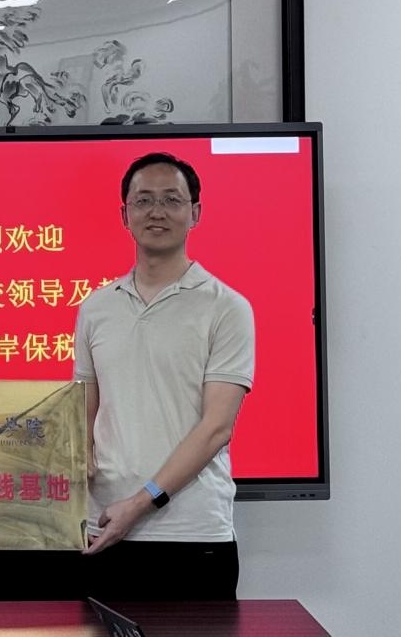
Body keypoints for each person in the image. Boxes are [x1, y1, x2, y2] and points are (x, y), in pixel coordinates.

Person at [74, 152, 254, 601]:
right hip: (104, 527)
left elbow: (216, 428)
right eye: (144, 200)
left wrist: (140, 503)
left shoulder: (226, 308)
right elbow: (83, 413)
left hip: (193, 534)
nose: (157, 212)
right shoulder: (96, 308)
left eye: (172, 200)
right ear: (125, 215)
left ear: (195, 213)